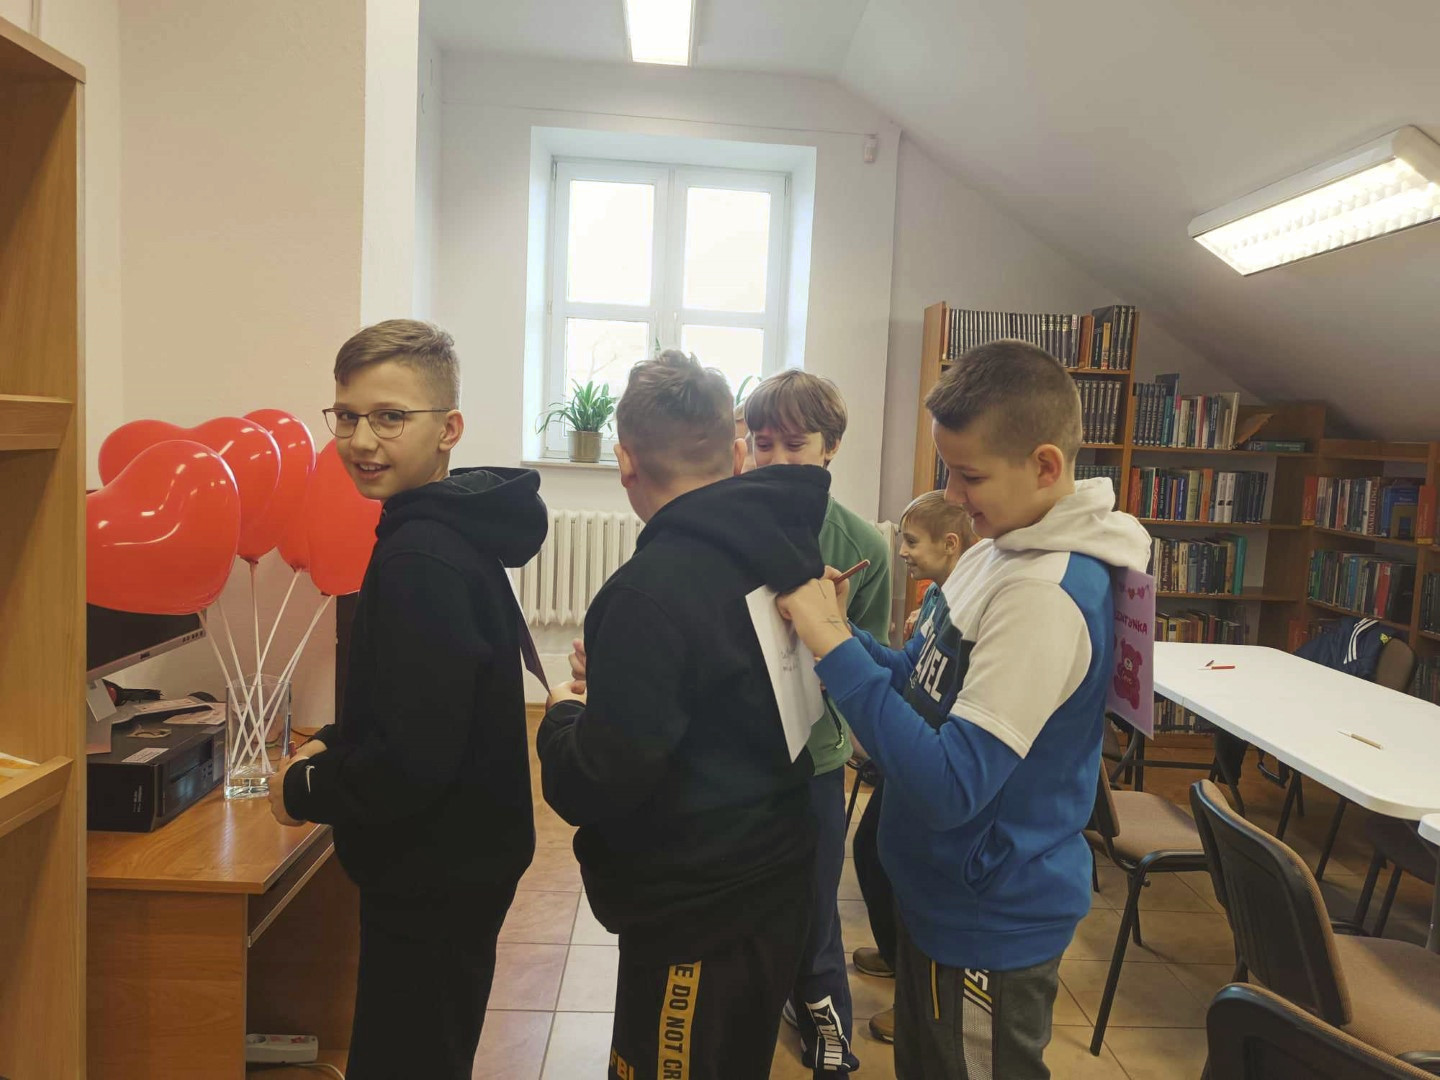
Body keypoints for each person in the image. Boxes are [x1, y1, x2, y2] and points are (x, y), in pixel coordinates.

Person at [779, 340, 1149, 1079]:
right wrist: (846, 633)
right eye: (948, 468)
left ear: (1045, 465)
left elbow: (952, 784)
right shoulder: (995, 548)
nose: (953, 492)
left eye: (970, 474)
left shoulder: (1044, 595)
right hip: (940, 896)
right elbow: (919, 685)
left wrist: (833, 649)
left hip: (990, 920)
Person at [269, 320, 548, 1080]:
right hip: (459, 857)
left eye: (390, 417)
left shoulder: (421, 556)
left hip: (435, 868)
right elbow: (422, 695)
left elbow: (413, 761)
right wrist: (339, 737)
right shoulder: (437, 528)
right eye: (347, 415)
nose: (362, 440)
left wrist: (304, 786)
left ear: (448, 428)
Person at [537, 350, 828, 1080]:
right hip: (773, 876)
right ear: (738, 452)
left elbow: (599, 782)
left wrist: (563, 717)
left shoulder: (648, 590)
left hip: (698, 909)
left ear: (625, 461)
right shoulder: (782, 548)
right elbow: (726, 695)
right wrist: (625, 687)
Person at [745, 369, 891, 1075]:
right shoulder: (721, 525)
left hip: (815, 757)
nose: (775, 459)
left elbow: (868, 663)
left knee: (813, 903)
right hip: (737, 753)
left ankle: (827, 1032)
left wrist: (824, 632)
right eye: (762, 442)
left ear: (830, 447)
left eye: (794, 444)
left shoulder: (865, 545)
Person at [852, 491, 977, 1045]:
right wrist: (843, 631)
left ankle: (913, 997)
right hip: (911, 754)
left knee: (904, 875)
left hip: (931, 760)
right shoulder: (934, 599)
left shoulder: (970, 611)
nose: (901, 551)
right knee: (873, 850)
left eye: (910, 541)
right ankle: (895, 957)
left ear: (950, 545)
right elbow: (905, 668)